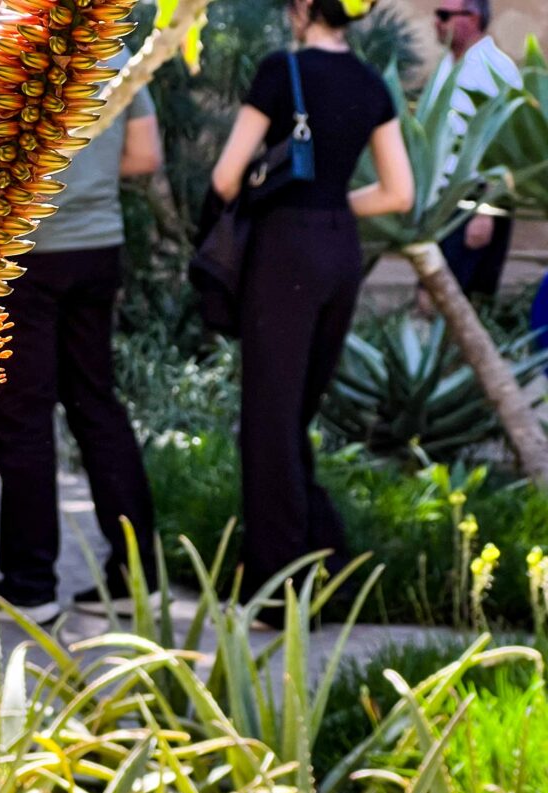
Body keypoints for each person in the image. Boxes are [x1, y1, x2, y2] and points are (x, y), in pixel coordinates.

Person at [210, 0, 413, 625]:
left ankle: (277, 592)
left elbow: (226, 177)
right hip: (339, 253)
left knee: (270, 421)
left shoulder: (282, 70)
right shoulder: (372, 84)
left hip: (284, 254)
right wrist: (334, 205)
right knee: (291, 417)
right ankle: (328, 565)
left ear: (303, 7)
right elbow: (399, 193)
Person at [0, 37, 164, 623]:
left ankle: (30, 585)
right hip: (99, 249)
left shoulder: (14, 56)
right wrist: (86, 180)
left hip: (29, 257)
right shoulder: (115, 52)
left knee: (23, 417)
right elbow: (145, 155)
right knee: (97, 405)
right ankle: (136, 577)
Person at [430, 0, 521, 300]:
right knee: (436, 296)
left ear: (472, 18)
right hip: (443, 199)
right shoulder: (447, 64)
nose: (437, 22)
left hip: (476, 200)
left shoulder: (495, 68)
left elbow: (507, 146)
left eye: (444, 15)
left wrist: (485, 212)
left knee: (460, 299)